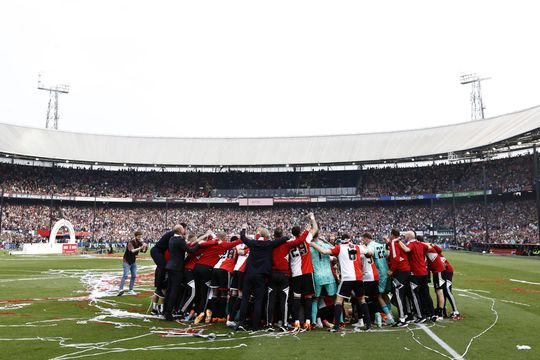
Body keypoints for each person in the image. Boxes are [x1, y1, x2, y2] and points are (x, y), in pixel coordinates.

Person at [311, 233, 373, 332]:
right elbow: (370, 253)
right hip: (358, 278)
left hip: (347, 278)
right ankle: (369, 325)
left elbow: (323, 251)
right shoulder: (357, 247)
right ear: (350, 239)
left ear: (342, 240)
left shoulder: (340, 248)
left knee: (338, 300)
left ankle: (336, 326)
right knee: (362, 301)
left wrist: (313, 244)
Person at [236, 222, 289, 331]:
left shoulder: (252, 242)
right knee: (258, 300)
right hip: (261, 276)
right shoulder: (269, 244)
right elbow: (284, 239)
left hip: (249, 274)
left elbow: (242, 237)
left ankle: (241, 323)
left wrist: (244, 228)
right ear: (266, 236)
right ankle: (255, 326)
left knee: (245, 299)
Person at [163, 224, 201, 321]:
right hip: (177, 267)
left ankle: (165, 310)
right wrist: (199, 244)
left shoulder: (172, 238)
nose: (185, 230)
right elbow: (190, 251)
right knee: (174, 291)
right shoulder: (180, 240)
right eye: (183, 229)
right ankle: (168, 313)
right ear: (180, 230)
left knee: (169, 289)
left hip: (170, 266)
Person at [288, 212, 319, 330]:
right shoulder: (305, 238)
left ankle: (296, 322)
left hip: (296, 274)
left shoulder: (289, 243)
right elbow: (315, 228)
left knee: (296, 298)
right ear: (299, 232)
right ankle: (308, 321)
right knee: (308, 298)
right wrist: (312, 218)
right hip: (307, 273)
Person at [362, 232, 395, 325]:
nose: (363, 241)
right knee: (385, 294)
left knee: (379, 296)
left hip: (379, 272)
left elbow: (370, 253)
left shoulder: (370, 246)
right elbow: (387, 254)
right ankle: (390, 315)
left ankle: (388, 317)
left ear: (366, 238)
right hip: (386, 270)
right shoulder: (380, 245)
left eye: (363, 239)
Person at [401, 232, 434, 323]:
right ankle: (432, 314)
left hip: (415, 273)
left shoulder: (410, 244)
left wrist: (397, 242)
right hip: (424, 272)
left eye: (405, 237)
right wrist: (423, 244)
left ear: (408, 237)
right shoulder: (420, 244)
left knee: (415, 295)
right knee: (426, 294)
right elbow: (430, 247)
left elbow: (407, 250)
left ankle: (420, 315)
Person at [150, 225, 181, 313]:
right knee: (163, 290)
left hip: (160, 269)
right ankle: (161, 308)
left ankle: (155, 308)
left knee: (158, 290)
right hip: (164, 270)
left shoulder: (169, 245)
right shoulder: (170, 247)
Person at [310, 233, 337, 328]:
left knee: (315, 299)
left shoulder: (309, 247)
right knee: (335, 299)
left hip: (317, 276)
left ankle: (313, 322)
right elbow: (335, 249)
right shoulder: (325, 245)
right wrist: (325, 241)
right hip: (328, 276)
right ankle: (339, 320)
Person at [387, 229, 410, 327]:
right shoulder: (399, 242)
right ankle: (406, 315)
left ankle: (402, 319)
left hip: (400, 271)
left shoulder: (394, 243)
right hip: (406, 270)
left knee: (398, 294)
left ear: (392, 235)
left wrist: (391, 270)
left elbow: (396, 258)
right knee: (402, 294)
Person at [118, 231, 147, 296]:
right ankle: (120, 289)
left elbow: (143, 251)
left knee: (133, 275)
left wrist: (145, 246)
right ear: (136, 236)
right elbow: (132, 251)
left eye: (140, 236)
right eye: (139, 236)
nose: (140, 237)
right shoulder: (130, 242)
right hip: (127, 261)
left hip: (133, 261)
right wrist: (141, 247)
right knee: (125, 275)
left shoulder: (138, 242)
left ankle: (130, 290)